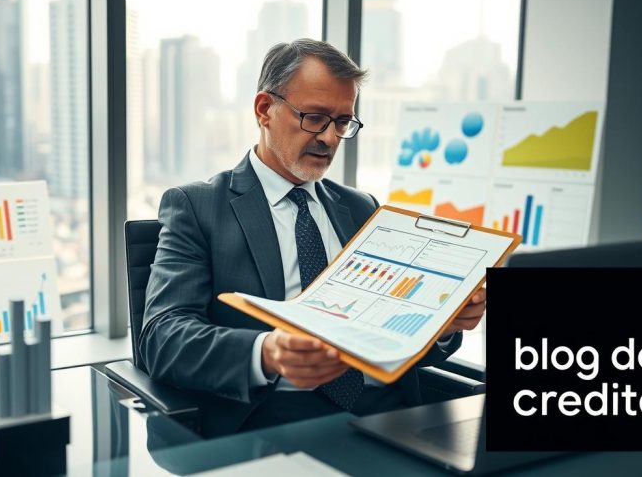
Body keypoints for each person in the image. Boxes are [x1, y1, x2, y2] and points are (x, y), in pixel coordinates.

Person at [138, 38, 486, 437]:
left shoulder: (361, 208)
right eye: (315, 118)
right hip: (274, 418)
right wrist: (265, 353)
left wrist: (443, 325)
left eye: (342, 122)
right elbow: (162, 337)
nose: (330, 138)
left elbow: (396, 336)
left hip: (390, 414)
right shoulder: (198, 207)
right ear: (264, 110)